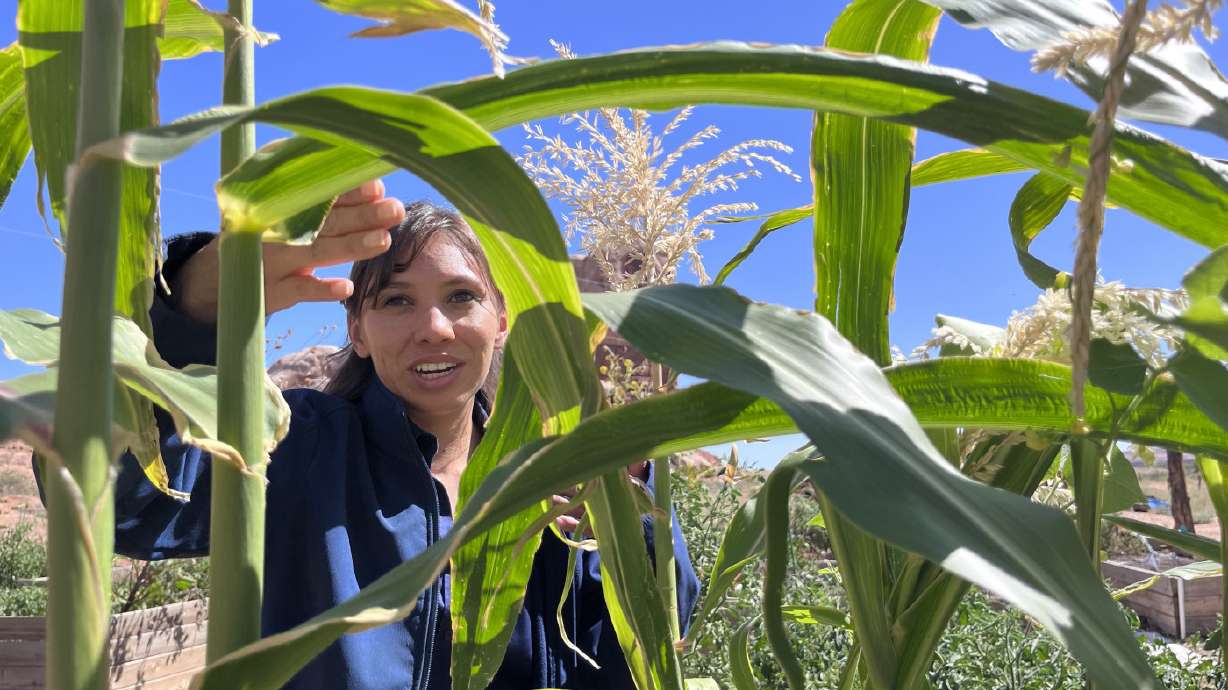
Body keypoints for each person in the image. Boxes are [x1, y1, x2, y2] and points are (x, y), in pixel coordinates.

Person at [42, 182, 699, 689]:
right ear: (357, 329)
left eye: (461, 297)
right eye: (396, 300)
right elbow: (119, 501)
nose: (435, 328)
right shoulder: (299, 447)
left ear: (500, 320)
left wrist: (632, 509)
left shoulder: (548, 477)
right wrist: (190, 307)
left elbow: (651, 636)